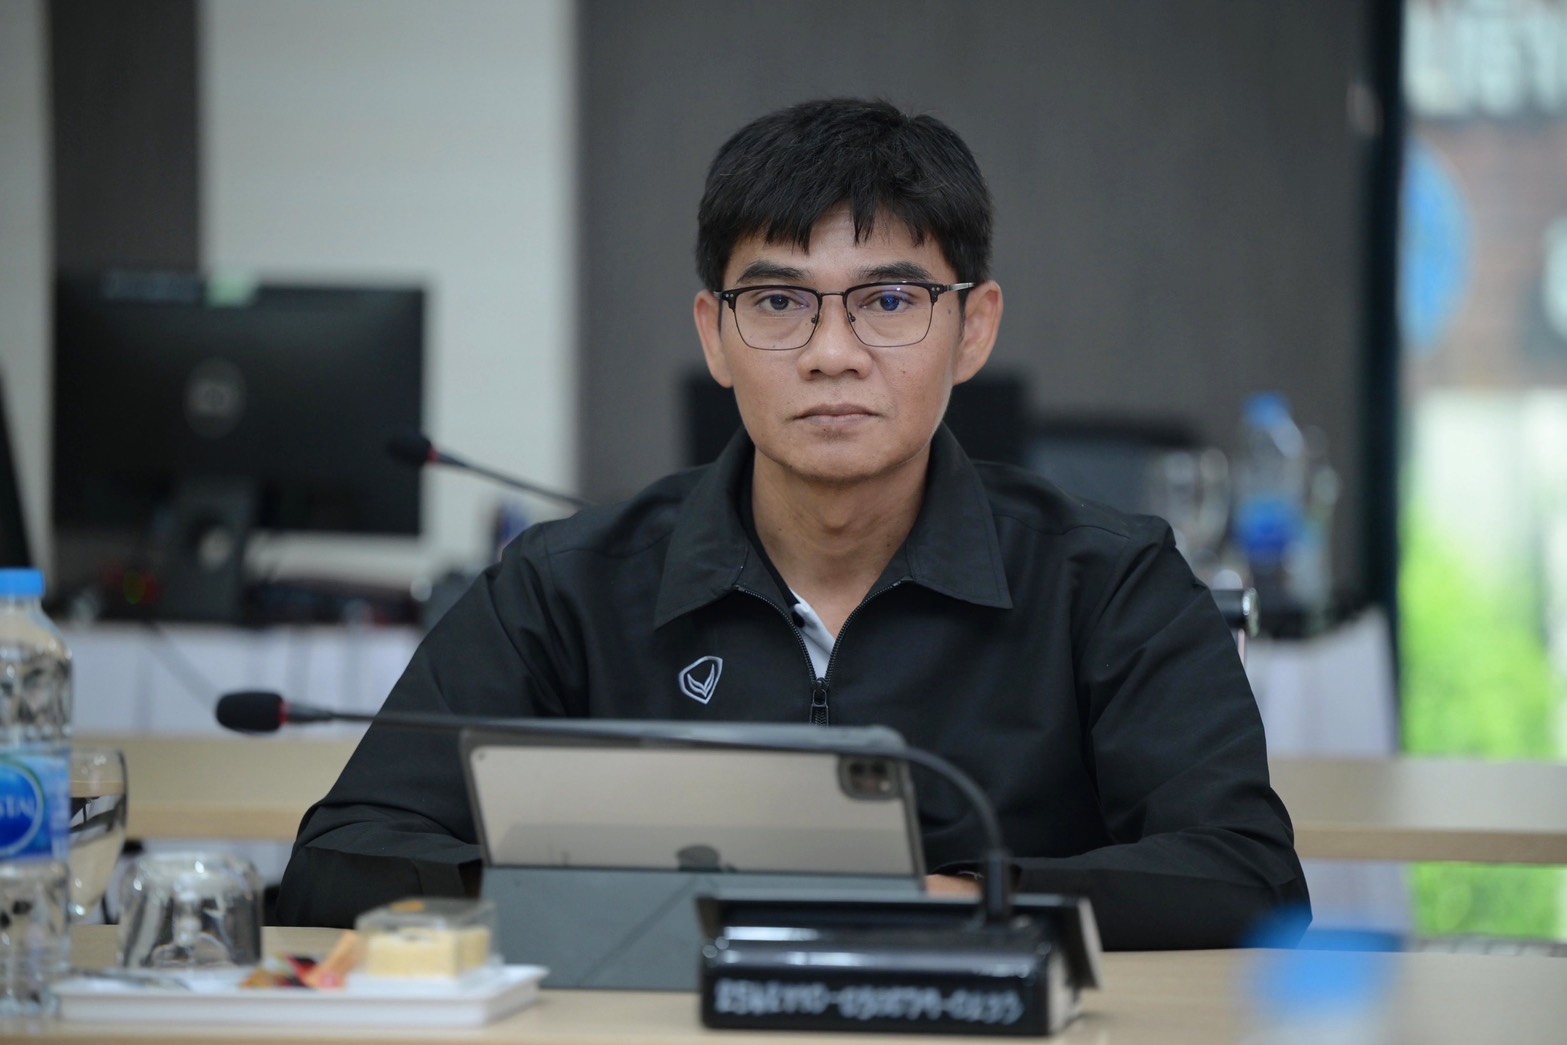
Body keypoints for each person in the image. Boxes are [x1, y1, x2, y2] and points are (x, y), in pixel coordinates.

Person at [277, 97, 1309, 948]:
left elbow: (1246, 877)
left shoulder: (1110, 581)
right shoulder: (564, 585)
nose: (831, 353)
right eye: (777, 303)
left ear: (972, 328)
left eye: (889, 301)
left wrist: (951, 901)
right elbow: (338, 860)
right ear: (714, 336)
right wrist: (594, 900)